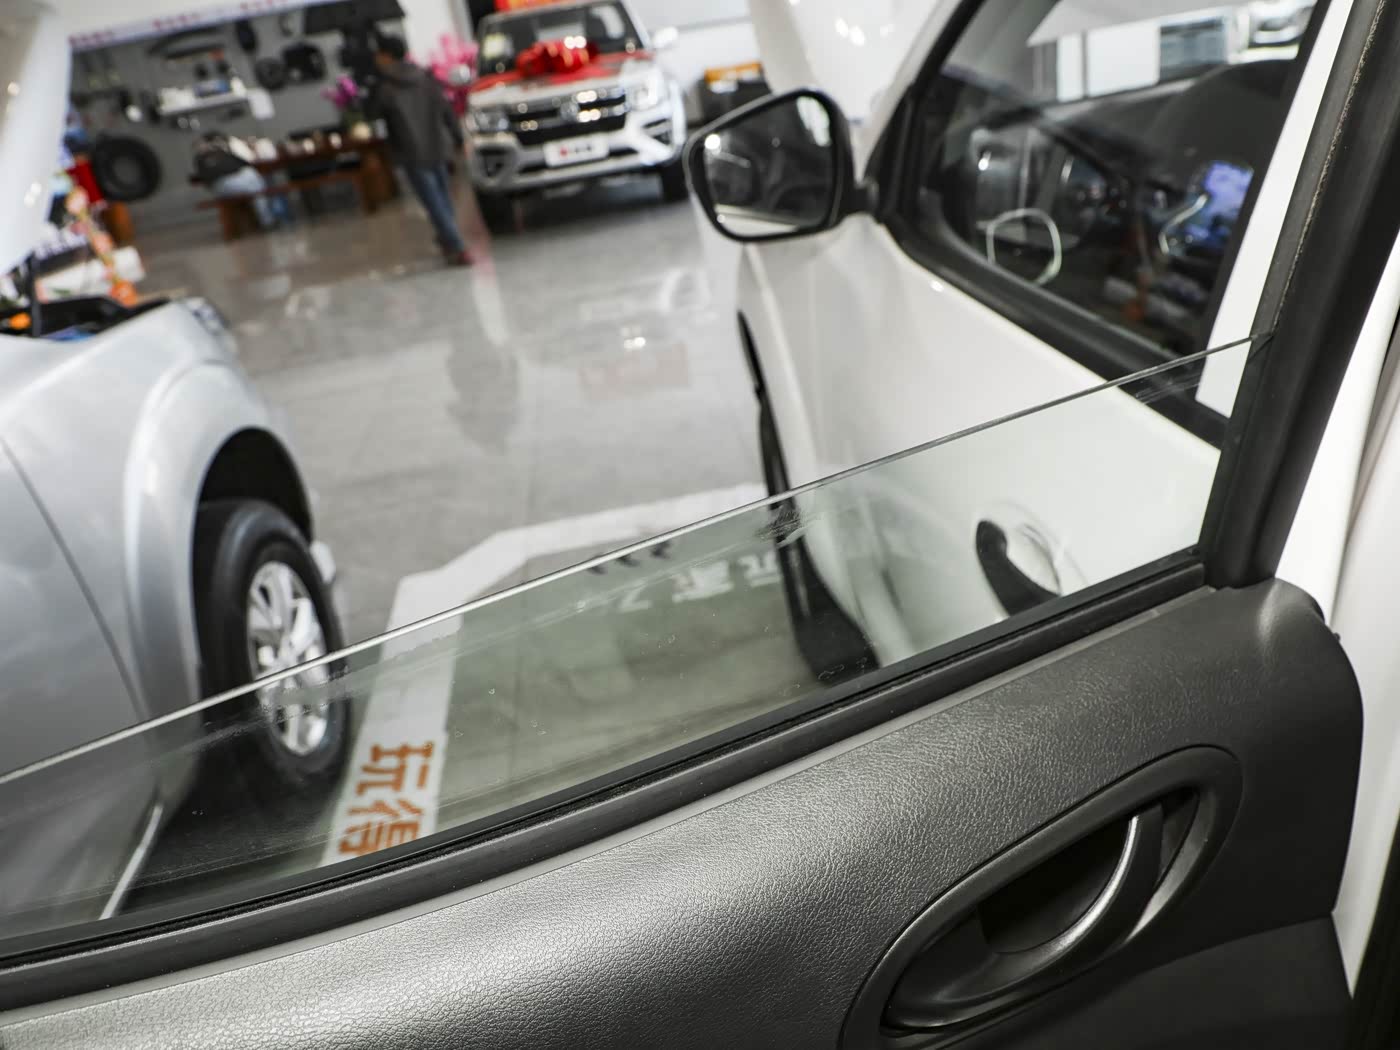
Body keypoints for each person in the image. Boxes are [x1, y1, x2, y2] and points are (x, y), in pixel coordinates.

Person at [370, 35, 472, 266]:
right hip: (438, 145)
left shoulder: (386, 88)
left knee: (433, 202)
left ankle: (457, 246)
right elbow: (446, 109)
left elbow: (378, 119)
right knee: (443, 198)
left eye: (379, 54)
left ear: (387, 56)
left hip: (412, 152)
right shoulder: (426, 78)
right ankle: (449, 242)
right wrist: (458, 138)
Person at [193, 134, 292, 230]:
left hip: (232, 185)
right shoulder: (206, 157)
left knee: (259, 186)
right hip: (230, 185)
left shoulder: (216, 154)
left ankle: (268, 219)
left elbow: (244, 163)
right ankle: (269, 220)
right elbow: (245, 164)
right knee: (261, 186)